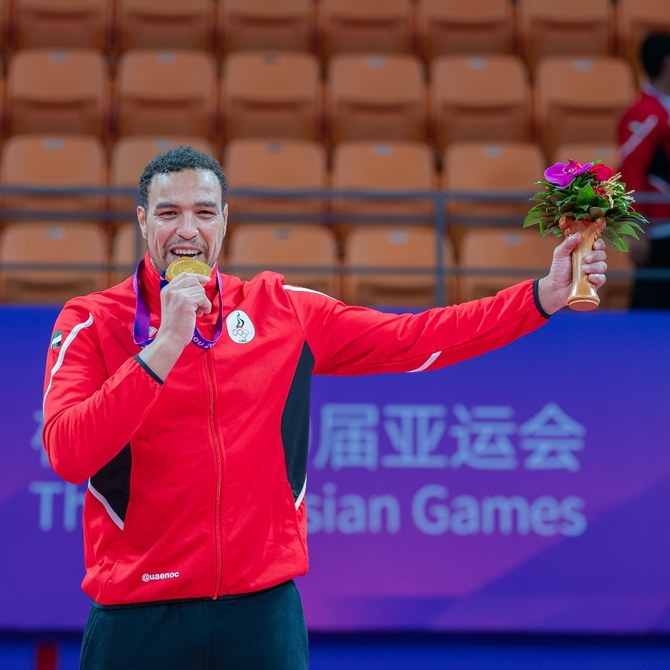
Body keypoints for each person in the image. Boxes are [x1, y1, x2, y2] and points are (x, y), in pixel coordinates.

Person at [41, 146, 608, 670]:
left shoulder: (282, 310)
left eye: (204, 213)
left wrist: (541, 297)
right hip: (138, 613)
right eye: (168, 214)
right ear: (142, 221)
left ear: (225, 220)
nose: (187, 231)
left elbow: (414, 339)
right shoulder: (92, 322)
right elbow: (68, 453)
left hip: (259, 614)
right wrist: (163, 348)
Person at [618, 31, 670, 308]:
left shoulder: (663, 110)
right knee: (651, 311)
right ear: (667, 63)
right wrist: (633, 227)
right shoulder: (645, 114)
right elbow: (630, 168)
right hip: (660, 232)